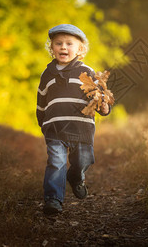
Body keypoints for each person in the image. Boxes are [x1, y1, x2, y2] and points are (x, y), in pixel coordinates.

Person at [36, 24, 111, 215]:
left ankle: (76, 176)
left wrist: (104, 107)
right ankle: (53, 199)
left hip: (81, 128)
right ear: (51, 48)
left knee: (83, 160)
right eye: (58, 43)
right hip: (55, 128)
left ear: (80, 49)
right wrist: (42, 122)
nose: (63, 47)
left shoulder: (87, 72)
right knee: (56, 162)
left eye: (69, 44)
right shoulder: (47, 74)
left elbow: (100, 98)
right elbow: (41, 101)